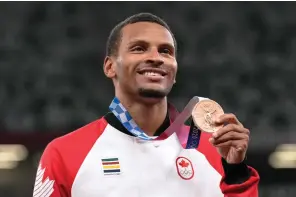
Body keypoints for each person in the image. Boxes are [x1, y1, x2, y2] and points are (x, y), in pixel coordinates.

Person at [32, 12, 259, 197]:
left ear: (174, 70)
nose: (156, 57)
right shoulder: (65, 153)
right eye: (139, 48)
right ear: (110, 67)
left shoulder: (214, 149)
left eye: (165, 51)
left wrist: (236, 172)